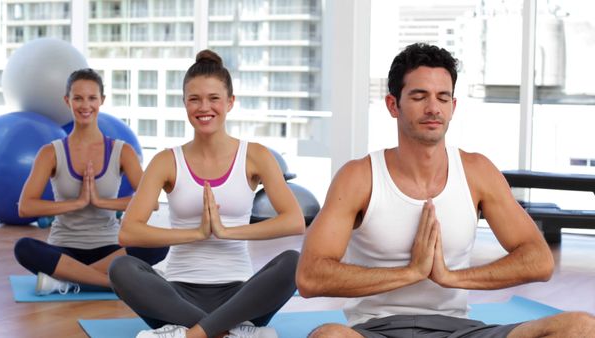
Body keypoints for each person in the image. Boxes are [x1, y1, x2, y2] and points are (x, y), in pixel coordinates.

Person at [295, 43, 595, 338]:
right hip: (376, 330)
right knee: (329, 335)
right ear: (392, 105)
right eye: (419, 96)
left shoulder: (477, 172)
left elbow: (539, 261)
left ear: (453, 106)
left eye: (443, 97)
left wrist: (451, 277)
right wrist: (411, 272)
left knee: (581, 326)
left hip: (459, 330)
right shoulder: (359, 177)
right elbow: (309, 277)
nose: (433, 108)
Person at [108, 49, 305, 338]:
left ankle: (190, 334)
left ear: (230, 102)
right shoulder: (166, 161)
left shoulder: (256, 156)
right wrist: (196, 233)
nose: (204, 107)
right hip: (177, 296)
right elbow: (129, 233)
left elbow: (294, 221)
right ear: (184, 103)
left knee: (294, 262)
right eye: (194, 99)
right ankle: (233, 333)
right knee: (121, 268)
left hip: (241, 296)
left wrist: (226, 231)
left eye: (214, 98)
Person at [14, 68, 169, 295]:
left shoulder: (121, 151)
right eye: (78, 98)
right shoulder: (51, 153)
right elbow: (26, 207)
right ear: (67, 101)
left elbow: (152, 202)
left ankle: (65, 281)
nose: (85, 105)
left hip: (110, 249)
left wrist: (101, 202)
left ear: (102, 100)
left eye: (92, 98)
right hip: (64, 248)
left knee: (159, 244)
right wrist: (76, 203)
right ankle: (113, 283)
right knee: (24, 248)